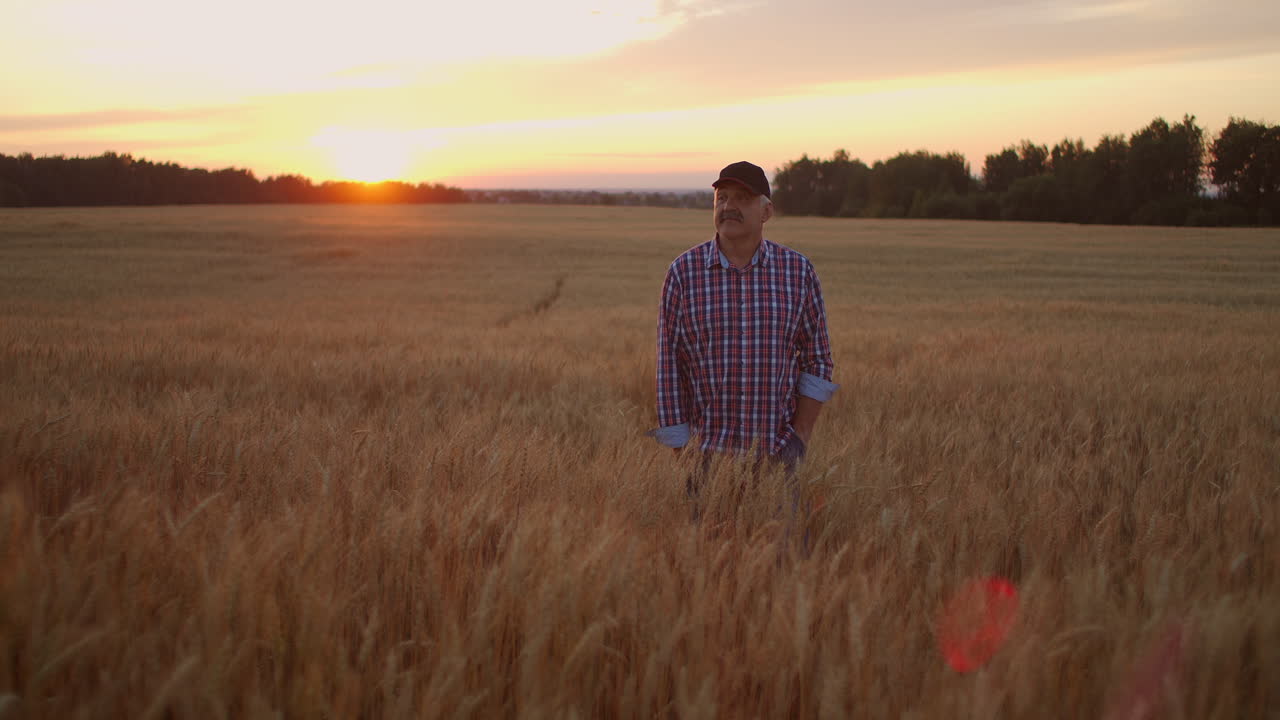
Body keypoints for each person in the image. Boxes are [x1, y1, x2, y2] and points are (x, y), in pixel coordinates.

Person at [651, 160, 838, 473]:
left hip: (777, 461)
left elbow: (818, 360)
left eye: (742, 198)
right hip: (704, 462)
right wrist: (684, 457)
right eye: (722, 198)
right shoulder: (683, 273)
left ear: (766, 212)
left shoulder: (797, 272)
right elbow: (669, 368)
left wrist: (799, 439)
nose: (729, 207)